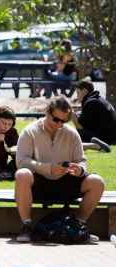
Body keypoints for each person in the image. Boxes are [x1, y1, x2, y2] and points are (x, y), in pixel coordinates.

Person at [14, 96, 105, 242]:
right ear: (47, 113)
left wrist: (79, 170)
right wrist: (48, 168)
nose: (58, 124)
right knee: (22, 174)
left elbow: (81, 160)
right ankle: (27, 226)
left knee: (97, 182)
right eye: (55, 119)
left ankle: (78, 226)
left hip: (66, 180)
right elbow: (21, 161)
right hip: (39, 181)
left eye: (63, 121)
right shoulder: (29, 131)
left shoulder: (71, 133)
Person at [71, 79, 115, 152]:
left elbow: (82, 126)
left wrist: (73, 117)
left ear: (84, 91)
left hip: (106, 139)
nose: (77, 95)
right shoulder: (97, 99)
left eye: (78, 92)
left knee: (74, 133)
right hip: (111, 136)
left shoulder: (90, 103)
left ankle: (96, 145)